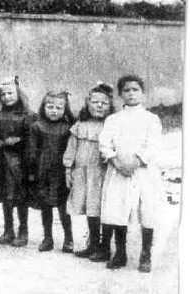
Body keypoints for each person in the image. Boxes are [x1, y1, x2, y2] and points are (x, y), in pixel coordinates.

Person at [98, 75, 161, 273]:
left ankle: (145, 254)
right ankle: (120, 253)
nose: (131, 93)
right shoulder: (113, 119)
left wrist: (135, 162)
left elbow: (153, 144)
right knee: (118, 210)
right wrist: (117, 162)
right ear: (120, 94)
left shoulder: (151, 119)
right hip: (118, 171)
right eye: (126, 90)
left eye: (135, 89)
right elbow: (105, 144)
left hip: (143, 172)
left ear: (143, 93)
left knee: (147, 210)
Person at [0, 76, 36, 247]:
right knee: (5, 196)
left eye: (10, 93)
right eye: (3, 94)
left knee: (20, 197)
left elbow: (33, 138)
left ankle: (23, 231)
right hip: (0, 162)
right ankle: (8, 230)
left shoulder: (28, 116)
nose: (7, 97)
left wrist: (19, 141)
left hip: (19, 163)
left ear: (18, 94)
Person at [64, 82, 114, 260]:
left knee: (100, 208)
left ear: (110, 106)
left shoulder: (111, 125)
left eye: (104, 103)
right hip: (81, 174)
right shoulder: (80, 125)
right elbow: (71, 148)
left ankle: (103, 246)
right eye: (95, 102)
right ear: (88, 103)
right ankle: (92, 244)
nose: (99, 106)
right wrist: (68, 169)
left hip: (101, 174)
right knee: (87, 208)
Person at [27, 90, 75, 253]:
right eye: (50, 107)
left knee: (63, 207)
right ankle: (48, 238)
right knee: (45, 206)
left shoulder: (68, 128)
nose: (54, 111)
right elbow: (32, 150)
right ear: (43, 107)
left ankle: (69, 238)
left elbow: (71, 151)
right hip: (43, 171)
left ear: (65, 110)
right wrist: (32, 172)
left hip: (61, 172)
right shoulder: (37, 126)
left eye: (58, 108)